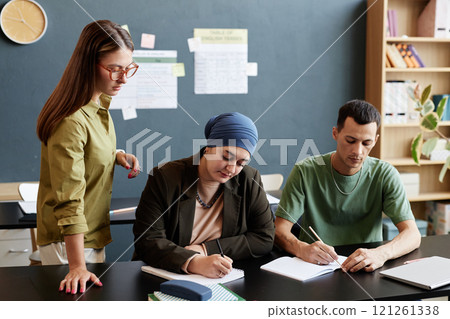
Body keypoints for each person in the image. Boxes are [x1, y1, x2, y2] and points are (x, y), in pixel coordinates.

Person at [36, 20, 140, 294]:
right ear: (88, 64)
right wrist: (76, 266)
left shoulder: (98, 105)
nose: (124, 78)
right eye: (115, 69)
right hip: (69, 244)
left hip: (90, 235)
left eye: (128, 68)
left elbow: (86, 150)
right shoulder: (71, 120)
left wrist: (116, 155)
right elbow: (69, 197)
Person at [274, 100, 421, 273]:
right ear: (335, 133)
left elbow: (413, 235)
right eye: (350, 140)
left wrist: (381, 254)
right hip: (315, 268)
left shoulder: (385, 174)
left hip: (367, 267)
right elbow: (279, 230)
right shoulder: (305, 171)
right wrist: (301, 248)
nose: (358, 151)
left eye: (366, 143)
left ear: (376, 140)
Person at [133, 112, 275, 278]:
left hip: (222, 275)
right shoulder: (165, 177)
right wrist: (193, 261)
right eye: (226, 157)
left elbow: (264, 238)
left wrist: (206, 249)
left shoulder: (249, 179)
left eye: (240, 163)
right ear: (208, 148)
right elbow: (147, 240)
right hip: (165, 273)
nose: (231, 169)